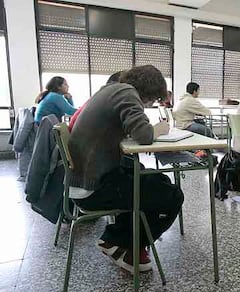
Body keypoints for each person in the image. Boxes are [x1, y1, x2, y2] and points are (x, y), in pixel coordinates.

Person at [68, 65, 184, 273]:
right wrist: (156, 130)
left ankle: (125, 245)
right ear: (148, 91)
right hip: (94, 188)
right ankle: (117, 242)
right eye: (151, 100)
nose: (148, 104)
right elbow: (144, 135)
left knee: (157, 181)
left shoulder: (110, 90)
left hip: (85, 181)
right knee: (173, 195)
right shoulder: (126, 92)